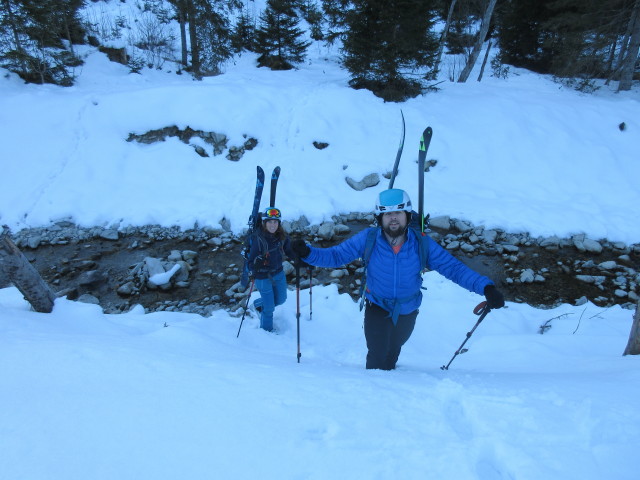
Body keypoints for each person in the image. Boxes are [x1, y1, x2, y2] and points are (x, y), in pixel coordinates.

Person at [291, 188, 505, 370]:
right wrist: (307, 253)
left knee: (393, 351)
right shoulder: (369, 239)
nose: (393, 218)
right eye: (387, 214)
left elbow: (453, 269)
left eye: (398, 213)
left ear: (407, 216)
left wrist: (485, 288)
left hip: (408, 309)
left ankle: (392, 389)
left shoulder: (422, 244)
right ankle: (372, 392)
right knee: (377, 354)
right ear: (380, 218)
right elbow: (336, 255)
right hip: (377, 304)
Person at [247, 207, 295, 332]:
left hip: (278, 273)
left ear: (279, 223)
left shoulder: (281, 236)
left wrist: (301, 258)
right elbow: (250, 262)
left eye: (275, 222)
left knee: (281, 299)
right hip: (262, 277)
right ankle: (266, 331)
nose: (272, 225)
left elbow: (290, 250)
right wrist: (255, 266)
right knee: (269, 309)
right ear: (264, 223)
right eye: (269, 222)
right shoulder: (259, 240)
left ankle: (257, 304)